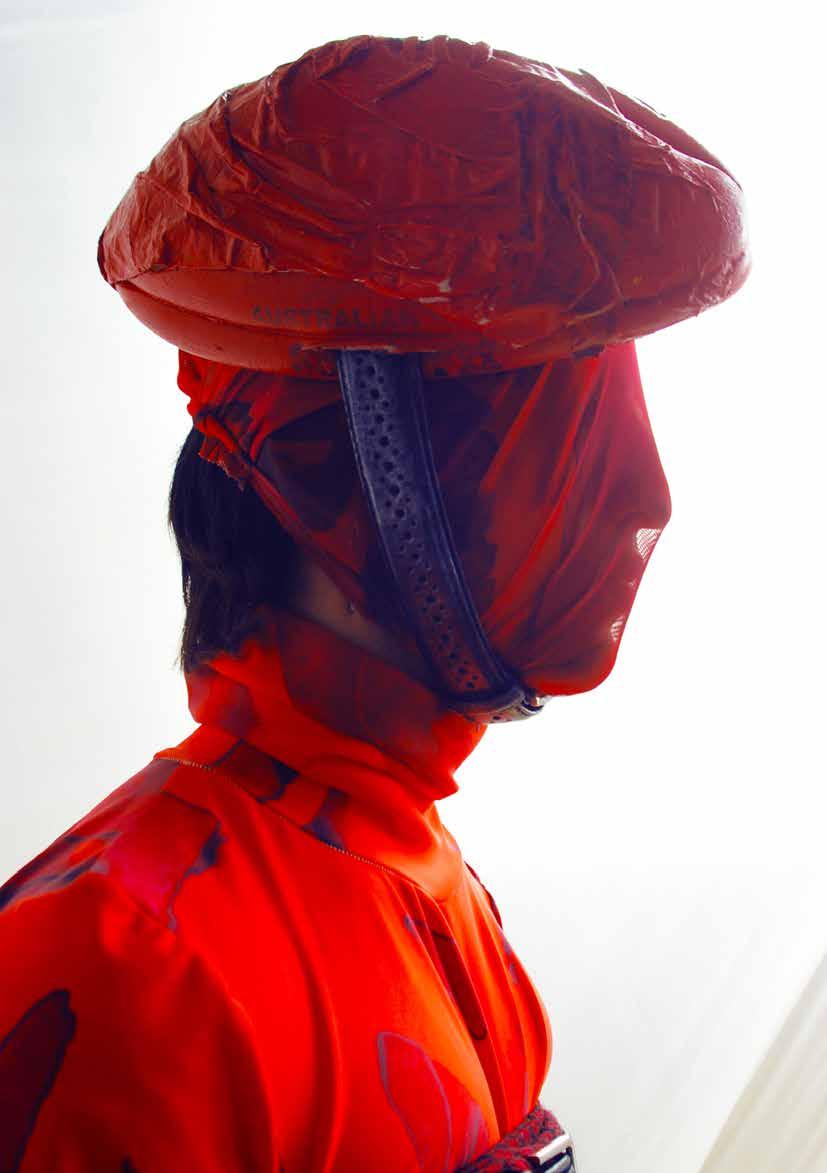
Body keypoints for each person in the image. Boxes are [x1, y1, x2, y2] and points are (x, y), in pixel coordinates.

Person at [0, 32, 749, 1172]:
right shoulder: (125, 960)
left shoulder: (416, 867)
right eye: (544, 438)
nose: (629, 499)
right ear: (346, 472)